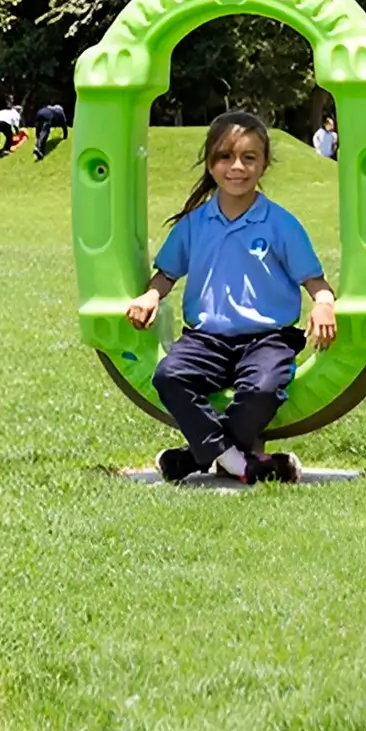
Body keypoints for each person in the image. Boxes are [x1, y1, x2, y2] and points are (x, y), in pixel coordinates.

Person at [124, 111, 337, 485]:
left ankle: (195, 458)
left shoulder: (281, 224)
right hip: (206, 339)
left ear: (264, 164)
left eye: (249, 158)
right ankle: (242, 464)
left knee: (262, 389)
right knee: (170, 376)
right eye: (225, 156)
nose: (236, 167)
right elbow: (166, 275)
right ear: (210, 163)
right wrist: (149, 297)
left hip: (268, 339)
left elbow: (316, 283)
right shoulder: (194, 223)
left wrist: (324, 304)